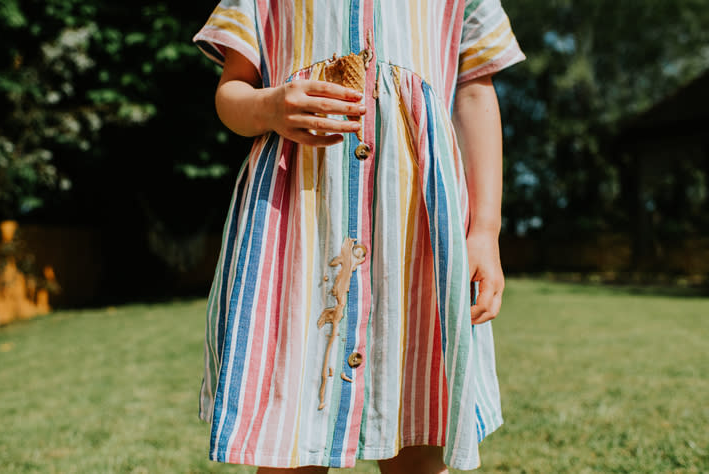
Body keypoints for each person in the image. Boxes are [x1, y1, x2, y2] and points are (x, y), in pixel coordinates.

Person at [192, 1, 524, 472]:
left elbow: (475, 92)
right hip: (299, 225)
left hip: (416, 226)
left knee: (418, 422)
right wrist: (269, 105)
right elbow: (232, 92)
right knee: (291, 432)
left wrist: (485, 232)